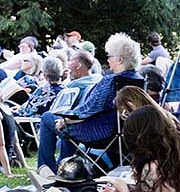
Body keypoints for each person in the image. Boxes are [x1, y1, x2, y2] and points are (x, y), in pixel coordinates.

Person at [37, 33, 143, 173]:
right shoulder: (139, 80)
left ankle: (46, 170)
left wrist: (66, 120)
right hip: (124, 134)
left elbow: (87, 110)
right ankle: (65, 168)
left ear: (120, 60)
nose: (108, 59)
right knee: (67, 130)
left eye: (110, 56)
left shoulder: (110, 81)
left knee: (47, 118)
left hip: (98, 132)